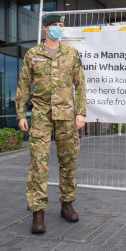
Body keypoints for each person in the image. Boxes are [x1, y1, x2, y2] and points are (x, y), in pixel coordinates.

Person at [16, 13, 86, 234]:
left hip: (67, 115)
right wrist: (20, 114)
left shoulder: (71, 54)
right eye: (53, 25)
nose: (57, 28)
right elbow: (23, 85)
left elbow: (80, 84)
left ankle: (67, 204)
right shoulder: (33, 54)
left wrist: (81, 112)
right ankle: (38, 213)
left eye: (60, 25)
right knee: (38, 163)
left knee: (68, 161)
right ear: (45, 28)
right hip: (40, 115)